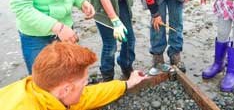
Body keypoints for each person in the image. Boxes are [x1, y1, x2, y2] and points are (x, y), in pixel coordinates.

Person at [0, 41, 146, 109]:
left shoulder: (44, 90)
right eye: (84, 83)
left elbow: (88, 96)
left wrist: (126, 84)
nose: (86, 86)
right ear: (66, 89)